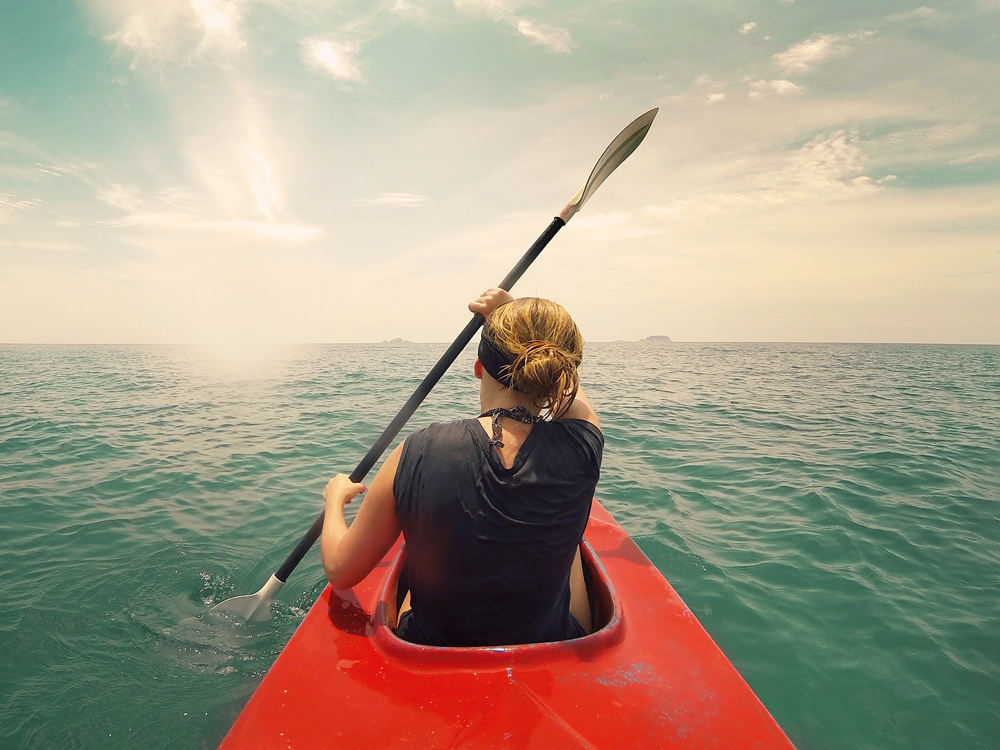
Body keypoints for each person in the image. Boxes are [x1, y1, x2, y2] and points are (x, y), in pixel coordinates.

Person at [320, 288, 603, 647]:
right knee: (572, 546)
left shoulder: (419, 448)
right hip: (549, 641)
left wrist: (334, 500)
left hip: (434, 650)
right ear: (559, 375)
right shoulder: (583, 447)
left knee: (420, 562)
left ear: (478, 367)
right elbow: (576, 403)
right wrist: (506, 311)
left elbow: (341, 572)